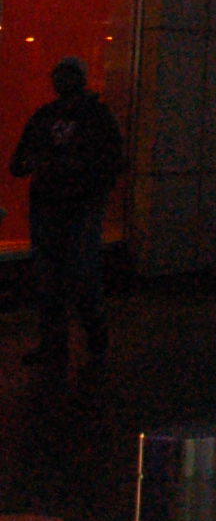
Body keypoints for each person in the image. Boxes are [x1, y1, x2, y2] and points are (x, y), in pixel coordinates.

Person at [10, 57, 124, 364]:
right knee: (62, 277)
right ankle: (85, 342)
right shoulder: (90, 116)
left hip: (70, 206)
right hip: (65, 206)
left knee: (68, 276)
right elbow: (19, 162)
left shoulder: (59, 116)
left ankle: (70, 343)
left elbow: (19, 163)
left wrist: (53, 165)